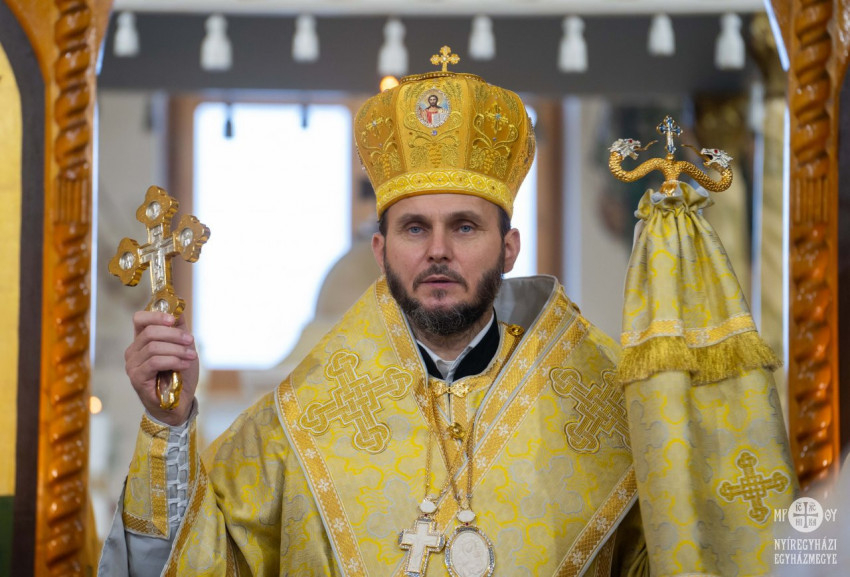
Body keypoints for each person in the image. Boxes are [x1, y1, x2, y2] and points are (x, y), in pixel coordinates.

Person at [99, 50, 793, 577]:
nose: (437, 250)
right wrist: (170, 424)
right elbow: (200, 555)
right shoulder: (302, 415)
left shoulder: (605, 400)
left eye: (464, 226)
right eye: (414, 228)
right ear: (381, 250)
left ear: (508, 246)